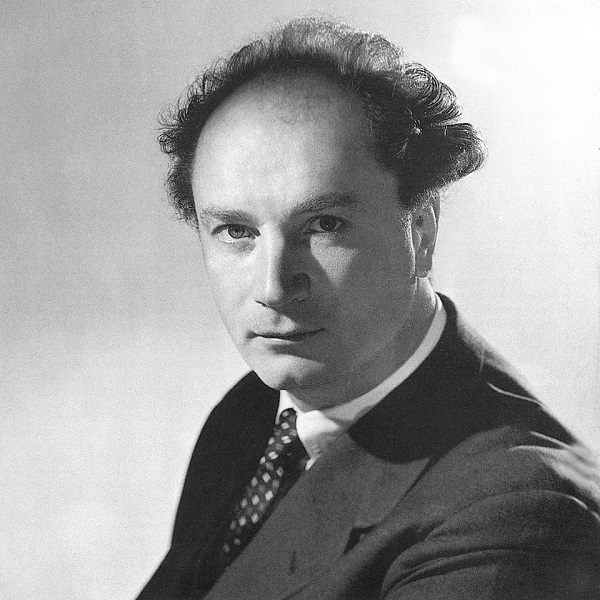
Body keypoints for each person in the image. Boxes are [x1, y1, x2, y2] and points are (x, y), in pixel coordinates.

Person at [137, 18, 600, 600]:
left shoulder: (517, 517)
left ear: (421, 230)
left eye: (325, 225)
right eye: (236, 231)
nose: (273, 286)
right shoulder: (251, 417)